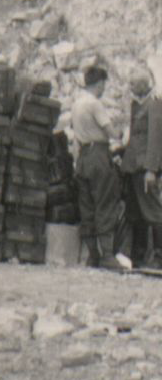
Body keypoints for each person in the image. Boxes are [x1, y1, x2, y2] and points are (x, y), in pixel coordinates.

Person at [71, 66, 125, 271]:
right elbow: (110, 132)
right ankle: (108, 256)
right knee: (105, 203)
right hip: (99, 156)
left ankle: (92, 255)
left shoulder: (77, 103)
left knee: (87, 207)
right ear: (100, 83)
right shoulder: (95, 104)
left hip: (83, 156)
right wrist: (120, 133)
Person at [121, 62, 162, 268]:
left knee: (153, 211)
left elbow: (155, 139)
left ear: (144, 85)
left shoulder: (154, 103)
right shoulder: (137, 104)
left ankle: (159, 257)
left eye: (133, 84)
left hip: (144, 168)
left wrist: (151, 170)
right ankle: (137, 257)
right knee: (136, 213)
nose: (130, 87)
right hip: (133, 167)